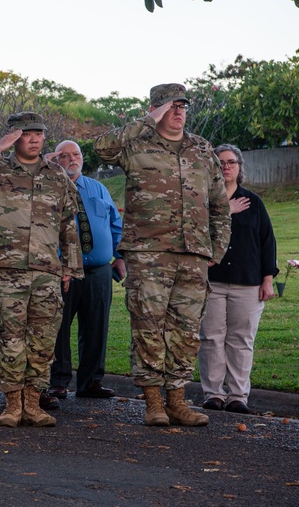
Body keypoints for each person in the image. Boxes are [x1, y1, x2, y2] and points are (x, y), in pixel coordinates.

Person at [95, 83, 230, 427]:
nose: (179, 112)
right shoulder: (135, 145)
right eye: (171, 106)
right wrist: (146, 120)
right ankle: (153, 402)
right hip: (148, 253)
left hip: (193, 254)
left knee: (185, 331)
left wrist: (216, 247)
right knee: (149, 327)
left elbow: (218, 202)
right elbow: (101, 148)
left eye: (182, 106)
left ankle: (178, 401)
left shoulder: (200, 148)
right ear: (156, 109)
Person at [0, 112, 82, 428]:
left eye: (39, 133)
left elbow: (69, 224)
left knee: (42, 341)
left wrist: (69, 267)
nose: (35, 139)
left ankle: (33, 403)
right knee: (9, 338)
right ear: (15, 136)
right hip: (7, 271)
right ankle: (12, 404)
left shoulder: (57, 176)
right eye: (27, 134)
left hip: (46, 272)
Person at [198, 144, 279, 415]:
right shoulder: (204, 201)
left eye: (232, 162)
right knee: (211, 337)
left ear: (240, 166)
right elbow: (195, 234)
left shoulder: (253, 202)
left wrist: (268, 279)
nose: (226, 166)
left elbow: (267, 242)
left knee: (241, 339)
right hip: (212, 280)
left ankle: (237, 396)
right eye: (221, 162)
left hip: (248, 281)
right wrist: (225, 210)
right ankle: (213, 394)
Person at [46, 140, 125, 405]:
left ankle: (91, 381)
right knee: (59, 328)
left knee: (96, 326)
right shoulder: (48, 189)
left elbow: (115, 223)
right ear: (55, 160)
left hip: (99, 271)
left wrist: (120, 257)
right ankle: (57, 383)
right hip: (62, 271)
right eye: (64, 155)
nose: (71, 159)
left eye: (76, 154)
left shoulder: (98, 188)